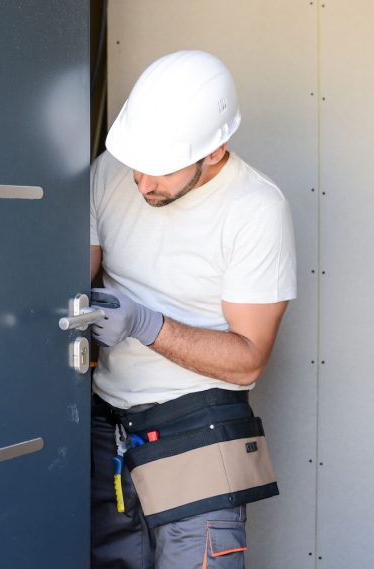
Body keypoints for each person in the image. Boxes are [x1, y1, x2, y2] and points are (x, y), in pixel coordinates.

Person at [88, 50, 297, 569]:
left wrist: (145, 324)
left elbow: (248, 359)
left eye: (160, 170)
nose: (141, 181)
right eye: (137, 162)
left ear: (215, 150)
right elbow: (68, 283)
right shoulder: (112, 172)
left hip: (199, 430)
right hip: (105, 430)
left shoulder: (256, 209)